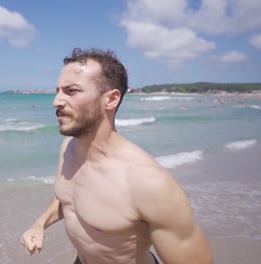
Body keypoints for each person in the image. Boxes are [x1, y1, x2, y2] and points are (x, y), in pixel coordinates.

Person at [21, 48, 213, 264]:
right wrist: (40, 223)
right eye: (57, 91)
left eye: (71, 91)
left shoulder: (149, 183)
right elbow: (67, 197)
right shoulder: (68, 148)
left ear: (111, 100)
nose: (56, 101)